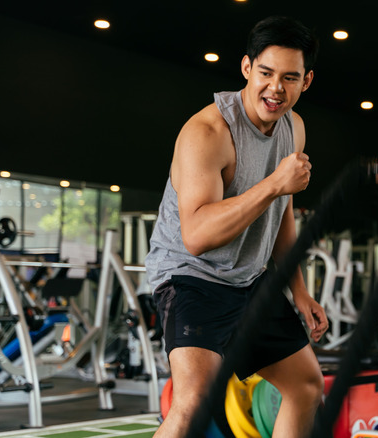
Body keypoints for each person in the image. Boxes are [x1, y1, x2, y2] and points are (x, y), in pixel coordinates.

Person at [144, 16, 328, 438]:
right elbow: (197, 236)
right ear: (247, 68)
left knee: (305, 385)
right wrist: (274, 184)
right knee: (193, 403)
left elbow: (282, 212)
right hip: (192, 278)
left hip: (250, 281)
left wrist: (298, 290)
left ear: (307, 80)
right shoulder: (207, 132)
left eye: (289, 78)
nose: (275, 89)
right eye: (265, 73)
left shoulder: (293, 127)